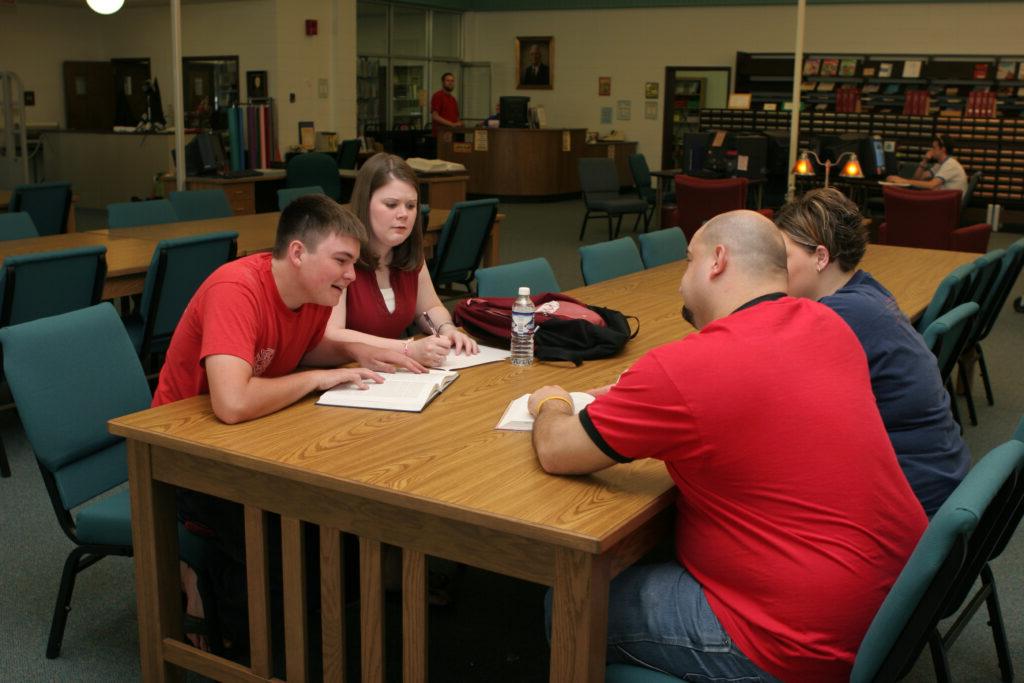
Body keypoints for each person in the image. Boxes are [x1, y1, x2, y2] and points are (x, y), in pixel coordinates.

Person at [527, 210, 926, 682]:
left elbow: (557, 450)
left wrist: (550, 401)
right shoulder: (829, 325)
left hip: (797, 639)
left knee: (570, 602)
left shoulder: (688, 367)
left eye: (687, 261)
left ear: (716, 261)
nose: (680, 281)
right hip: (894, 604)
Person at [153, 194, 425, 651]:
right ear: (298, 253)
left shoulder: (314, 293)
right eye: (340, 260)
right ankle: (235, 639)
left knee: (339, 511)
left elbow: (305, 346)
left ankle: (306, 635)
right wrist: (319, 378)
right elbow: (233, 402)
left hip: (252, 439)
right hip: (184, 457)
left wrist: (366, 351)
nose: (348, 275)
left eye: (352, 263)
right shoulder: (236, 289)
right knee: (285, 537)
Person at [775, 187, 970, 516]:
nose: (774, 269)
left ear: (821, 257)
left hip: (912, 500)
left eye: (783, 258)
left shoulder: (840, 315)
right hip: (938, 477)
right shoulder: (865, 289)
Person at [325, 152, 478, 367]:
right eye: (391, 204)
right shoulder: (340, 257)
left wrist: (447, 330)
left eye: (410, 205)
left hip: (388, 373)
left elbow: (431, 307)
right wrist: (407, 350)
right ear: (364, 203)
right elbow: (333, 335)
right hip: (346, 372)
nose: (403, 214)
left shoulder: (409, 253)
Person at [886, 132, 968, 195]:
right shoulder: (940, 164)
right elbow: (918, 179)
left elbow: (931, 185)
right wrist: (925, 160)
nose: (931, 150)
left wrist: (903, 180)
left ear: (943, 149)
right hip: (944, 200)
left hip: (948, 205)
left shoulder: (950, 165)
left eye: (934, 148)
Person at [430, 72, 461, 138]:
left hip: (451, 134)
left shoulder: (453, 99)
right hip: (440, 135)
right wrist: (452, 124)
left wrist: (459, 123)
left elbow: (456, 117)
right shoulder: (438, 96)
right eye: (448, 80)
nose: (450, 83)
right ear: (442, 82)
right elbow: (435, 116)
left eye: (452, 81)